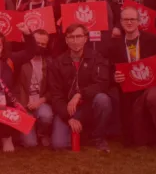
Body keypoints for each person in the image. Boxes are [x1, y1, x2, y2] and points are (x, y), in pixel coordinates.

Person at [110, 7, 156, 157]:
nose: (129, 22)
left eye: (132, 19)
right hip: (131, 96)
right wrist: (114, 77)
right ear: (120, 22)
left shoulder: (153, 40)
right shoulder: (115, 46)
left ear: (139, 21)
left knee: (153, 96)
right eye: (125, 19)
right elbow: (110, 71)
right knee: (138, 141)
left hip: (152, 87)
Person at [46, 24, 112, 152]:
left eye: (79, 36)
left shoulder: (96, 57)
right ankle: (82, 134)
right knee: (59, 144)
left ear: (85, 38)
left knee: (103, 99)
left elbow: (102, 83)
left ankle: (98, 138)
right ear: (66, 40)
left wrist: (80, 94)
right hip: (68, 109)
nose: (75, 41)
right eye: (71, 37)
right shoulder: (57, 62)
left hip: (89, 106)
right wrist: (68, 118)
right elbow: (56, 95)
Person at [12, 28, 54, 148]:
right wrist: (18, 104)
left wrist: (40, 101)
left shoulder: (50, 62)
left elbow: (53, 89)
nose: (39, 46)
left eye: (43, 44)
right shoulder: (20, 60)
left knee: (46, 116)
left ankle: (42, 133)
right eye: (37, 43)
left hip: (41, 102)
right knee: (30, 144)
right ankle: (27, 130)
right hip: (23, 104)